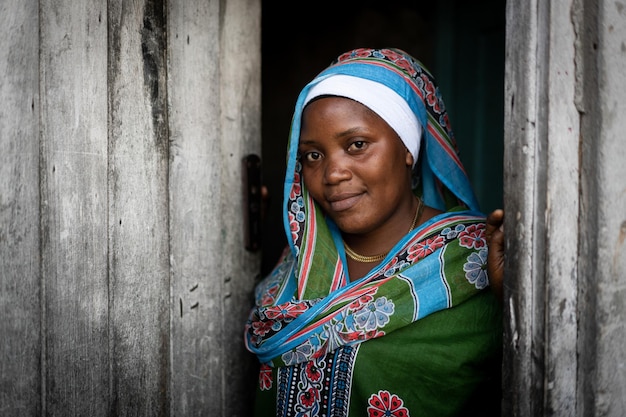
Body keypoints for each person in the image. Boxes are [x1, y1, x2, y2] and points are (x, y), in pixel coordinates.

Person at [244, 47, 504, 416]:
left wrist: (510, 299)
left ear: (407, 148)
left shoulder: (477, 260)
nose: (333, 173)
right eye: (313, 156)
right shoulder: (300, 262)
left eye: (357, 145)